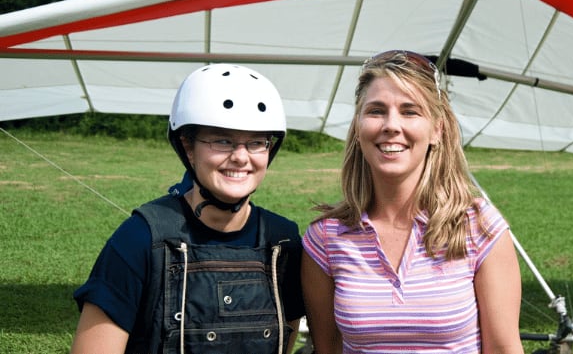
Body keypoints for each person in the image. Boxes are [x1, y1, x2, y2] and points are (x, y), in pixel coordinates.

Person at [301, 50, 525, 353]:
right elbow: (327, 348)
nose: (391, 125)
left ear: (437, 130)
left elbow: (503, 349)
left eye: (410, 111)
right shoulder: (325, 239)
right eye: (376, 111)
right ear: (357, 128)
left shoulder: (479, 227)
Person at [71, 63, 304, 354]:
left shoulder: (282, 242)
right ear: (188, 146)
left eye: (256, 142)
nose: (241, 157)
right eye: (222, 140)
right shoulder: (140, 238)